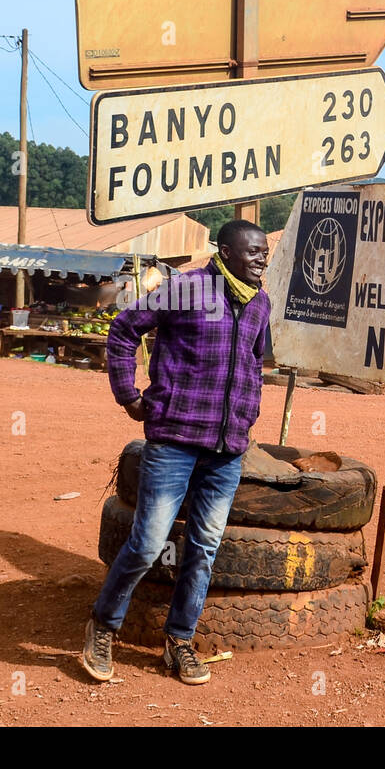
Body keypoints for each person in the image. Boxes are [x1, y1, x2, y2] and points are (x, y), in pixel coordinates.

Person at [82, 220, 271, 686]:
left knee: (204, 549)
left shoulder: (260, 302)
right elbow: (125, 331)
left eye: (265, 252)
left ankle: (179, 642)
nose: (262, 259)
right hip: (174, 441)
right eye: (252, 252)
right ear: (224, 252)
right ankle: (102, 627)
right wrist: (128, 395)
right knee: (147, 544)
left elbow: (255, 360)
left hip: (227, 450)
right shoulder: (185, 289)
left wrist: (247, 412)